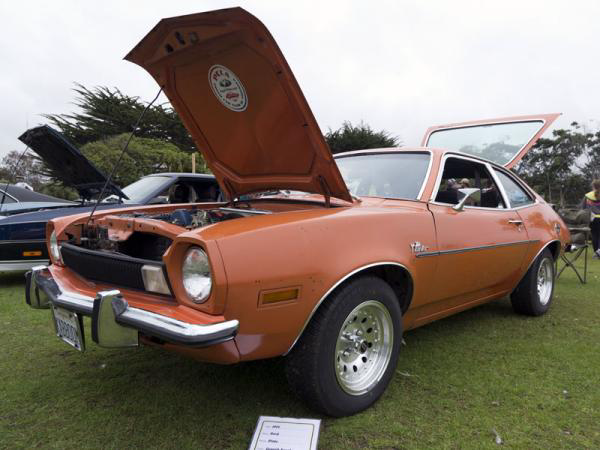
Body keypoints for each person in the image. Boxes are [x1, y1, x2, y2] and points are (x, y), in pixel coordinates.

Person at [581, 179, 600, 258]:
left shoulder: (587, 196)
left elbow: (583, 208)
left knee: (594, 236)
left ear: (593, 186)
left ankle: (596, 252)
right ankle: (599, 251)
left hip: (592, 219)